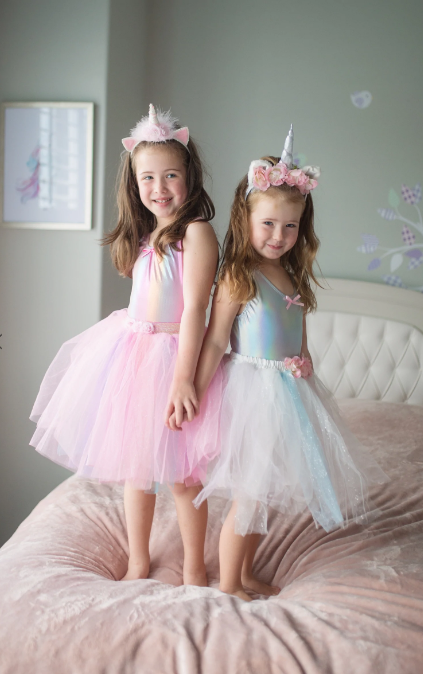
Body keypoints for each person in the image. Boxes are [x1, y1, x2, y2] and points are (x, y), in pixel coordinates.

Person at [173, 126, 387, 601]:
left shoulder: (291, 273)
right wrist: (195, 391)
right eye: (268, 223)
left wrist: (304, 358)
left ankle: (246, 572)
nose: (279, 236)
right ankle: (229, 584)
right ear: (245, 218)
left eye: (290, 226)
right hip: (251, 393)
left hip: (289, 393)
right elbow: (215, 341)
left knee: (265, 494)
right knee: (250, 495)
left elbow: (298, 328)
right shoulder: (240, 275)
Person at [30, 104, 221, 587]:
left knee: (183, 477)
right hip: (134, 358)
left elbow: (196, 309)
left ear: (189, 177)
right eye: (147, 178)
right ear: (134, 185)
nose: (160, 188)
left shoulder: (196, 233)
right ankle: (139, 562)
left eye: (171, 175)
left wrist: (183, 378)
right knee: (137, 472)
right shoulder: (144, 235)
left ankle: (195, 569)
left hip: (175, 359)